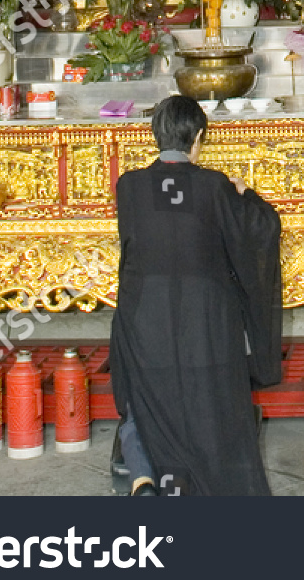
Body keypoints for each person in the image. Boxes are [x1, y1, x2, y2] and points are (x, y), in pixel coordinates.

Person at [109, 94, 282, 496]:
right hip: (205, 315)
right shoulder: (215, 186)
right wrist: (247, 197)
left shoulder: (128, 186)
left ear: (154, 134)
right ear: (199, 137)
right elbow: (258, 233)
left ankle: (146, 479)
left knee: (146, 396)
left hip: (143, 314)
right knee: (209, 394)